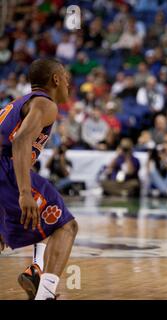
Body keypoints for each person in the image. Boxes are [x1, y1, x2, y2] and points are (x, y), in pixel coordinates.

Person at [0, 58, 78, 300]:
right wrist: (24, 192)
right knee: (66, 225)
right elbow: (21, 141)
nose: (68, 83)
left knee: (43, 219)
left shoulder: (19, 103)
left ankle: (36, 269)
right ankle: (45, 294)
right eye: (65, 77)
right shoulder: (45, 104)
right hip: (5, 168)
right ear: (55, 79)